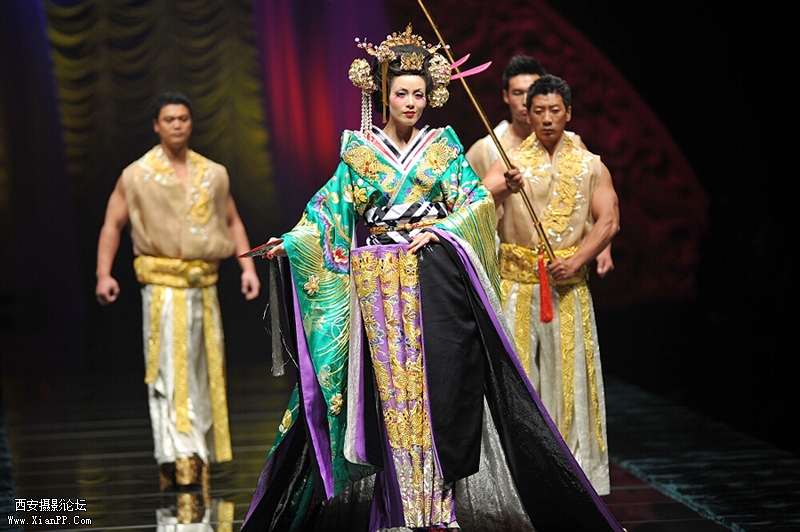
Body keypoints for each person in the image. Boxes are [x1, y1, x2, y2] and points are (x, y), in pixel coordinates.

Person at [242, 26, 623, 532]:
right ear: (385, 96)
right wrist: (292, 242)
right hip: (378, 284)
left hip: (435, 279)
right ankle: (395, 508)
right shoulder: (359, 151)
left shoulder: (442, 147)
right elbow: (327, 213)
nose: (411, 103)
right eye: (402, 93)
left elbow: (476, 202)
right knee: (389, 397)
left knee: (441, 392)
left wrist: (441, 229)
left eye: (419, 94)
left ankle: (439, 508)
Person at [95, 92, 261, 494]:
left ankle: (194, 452)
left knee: (202, 369)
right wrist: (103, 274)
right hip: (162, 287)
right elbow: (112, 223)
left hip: (203, 286)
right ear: (157, 125)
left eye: (183, 118)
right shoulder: (137, 173)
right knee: (170, 370)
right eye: (169, 119)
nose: (176, 125)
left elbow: (232, 220)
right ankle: (178, 453)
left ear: (191, 123)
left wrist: (248, 267)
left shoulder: (212, 173)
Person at [484, 74, 620, 496]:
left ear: (568, 113)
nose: (546, 119)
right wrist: (502, 189)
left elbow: (609, 220)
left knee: (572, 379)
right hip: (516, 285)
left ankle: (577, 478)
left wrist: (578, 259)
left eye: (554, 111)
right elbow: (477, 202)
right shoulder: (509, 160)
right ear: (527, 113)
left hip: (568, 287)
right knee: (518, 378)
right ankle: (520, 476)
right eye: (538, 111)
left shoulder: (590, 164)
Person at [465, 54, 613, 276]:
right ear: (506, 96)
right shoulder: (487, 149)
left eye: (532, 91)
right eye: (518, 93)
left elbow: (594, 199)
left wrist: (601, 246)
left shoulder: (573, 144)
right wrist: (506, 187)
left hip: (566, 262)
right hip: (508, 262)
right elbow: (471, 203)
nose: (526, 100)